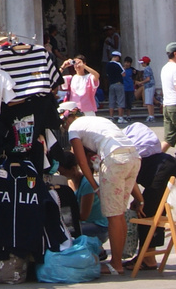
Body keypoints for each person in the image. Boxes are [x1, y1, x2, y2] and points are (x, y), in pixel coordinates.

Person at [59, 103, 140, 275]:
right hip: (133, 155)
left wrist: (95, 187)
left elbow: (81, 162)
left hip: (114, 159)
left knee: (113, 215)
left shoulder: (74, 128)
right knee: (119, 214)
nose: (65, 127)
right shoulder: (96, 121)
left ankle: (116, 264)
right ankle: (120, 260)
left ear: (68, 118)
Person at [102, 52, 127, 123]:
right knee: (120, 100)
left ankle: (111, 117)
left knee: (112, 101)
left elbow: (107, 74)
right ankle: (120, 117)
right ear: (117, 57)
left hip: (111, 84)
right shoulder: (118, 64)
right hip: (118, 83)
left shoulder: (107, 65)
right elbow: (123, 74)